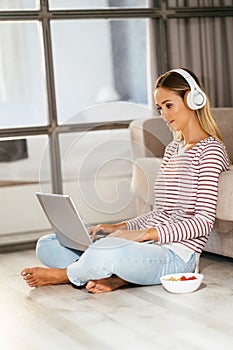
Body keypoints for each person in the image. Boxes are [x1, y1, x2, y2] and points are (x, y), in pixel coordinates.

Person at [21, 68, 229, 293]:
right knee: (49, 244)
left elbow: (204, 221)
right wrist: (120, 227)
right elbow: (161, 213)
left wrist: (144, 234)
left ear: (192, 100)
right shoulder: (172, 149)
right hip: (149, 247)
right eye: (160, 108)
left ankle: (67, 275)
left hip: (177, 256)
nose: (163, 115)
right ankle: (112, 272)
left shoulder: (210, 151)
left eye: (169, 105)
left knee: (107, 250)